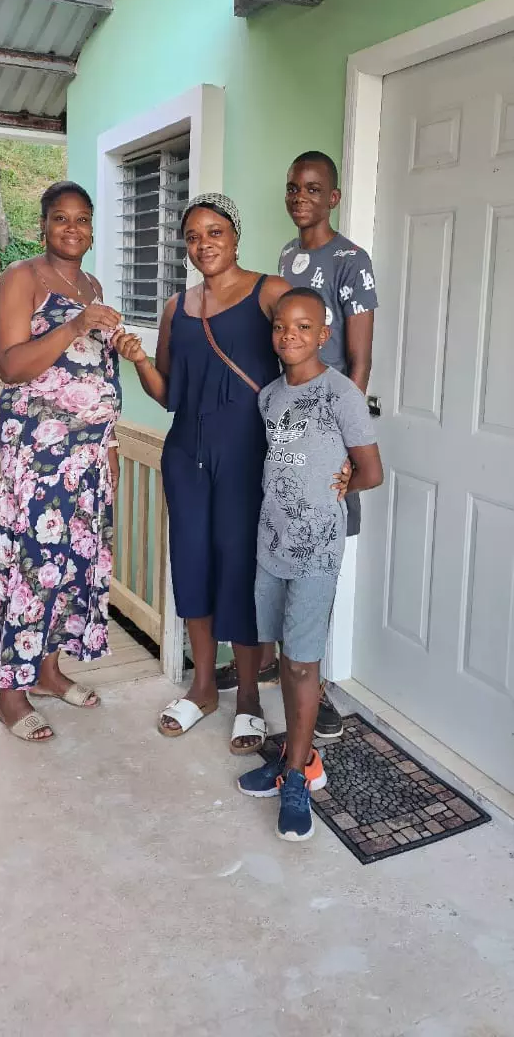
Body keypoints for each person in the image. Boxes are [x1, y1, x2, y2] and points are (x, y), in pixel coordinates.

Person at [115, 193, 293, 754]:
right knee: (191, 562)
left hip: (248, 454)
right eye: (193, 236)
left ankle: (246, 696)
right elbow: (168, 394)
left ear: (235, 237)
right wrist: (140, 361)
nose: (203, 244)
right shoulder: (176, 307)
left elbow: (306, 369)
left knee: (239, 566)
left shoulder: (271, 293)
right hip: (186, 451)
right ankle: (201, 687)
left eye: (214, 232)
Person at [238, 288, 383, 841]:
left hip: (317, 550)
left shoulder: (340, 394)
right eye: (281, 327)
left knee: (302, 663)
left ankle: (299, 773)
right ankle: (291, 760)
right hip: (270, 544)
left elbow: (371, 471)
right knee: (281, 657)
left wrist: (345, 482)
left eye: (304, 327)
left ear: (323, 335)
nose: (290, 336)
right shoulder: (270, 397)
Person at [0, 181, 123, 741]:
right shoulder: (23, 278)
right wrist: (74, 325)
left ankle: (46, 672)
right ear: (42, 224)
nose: (73, 228)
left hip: (87, 461)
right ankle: (9, 695)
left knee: (68, 567)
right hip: (38, 461)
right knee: (27, 569)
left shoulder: (89, 284)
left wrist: (109, 446)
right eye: (61, 218)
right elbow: (10, 366)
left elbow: (99, 373)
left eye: (83, 219)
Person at [275, 149, 378, 738]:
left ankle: (323, 686)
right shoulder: (289, 256)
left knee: (325, 550)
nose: (300, 197)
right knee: (289, 543)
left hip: (329, 435)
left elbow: (359, 361)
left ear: (332, 198)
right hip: (289, 427)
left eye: (313, 189)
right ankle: (294, 672)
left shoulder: (351, 261)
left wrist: (343, 439)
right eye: (293, 188)